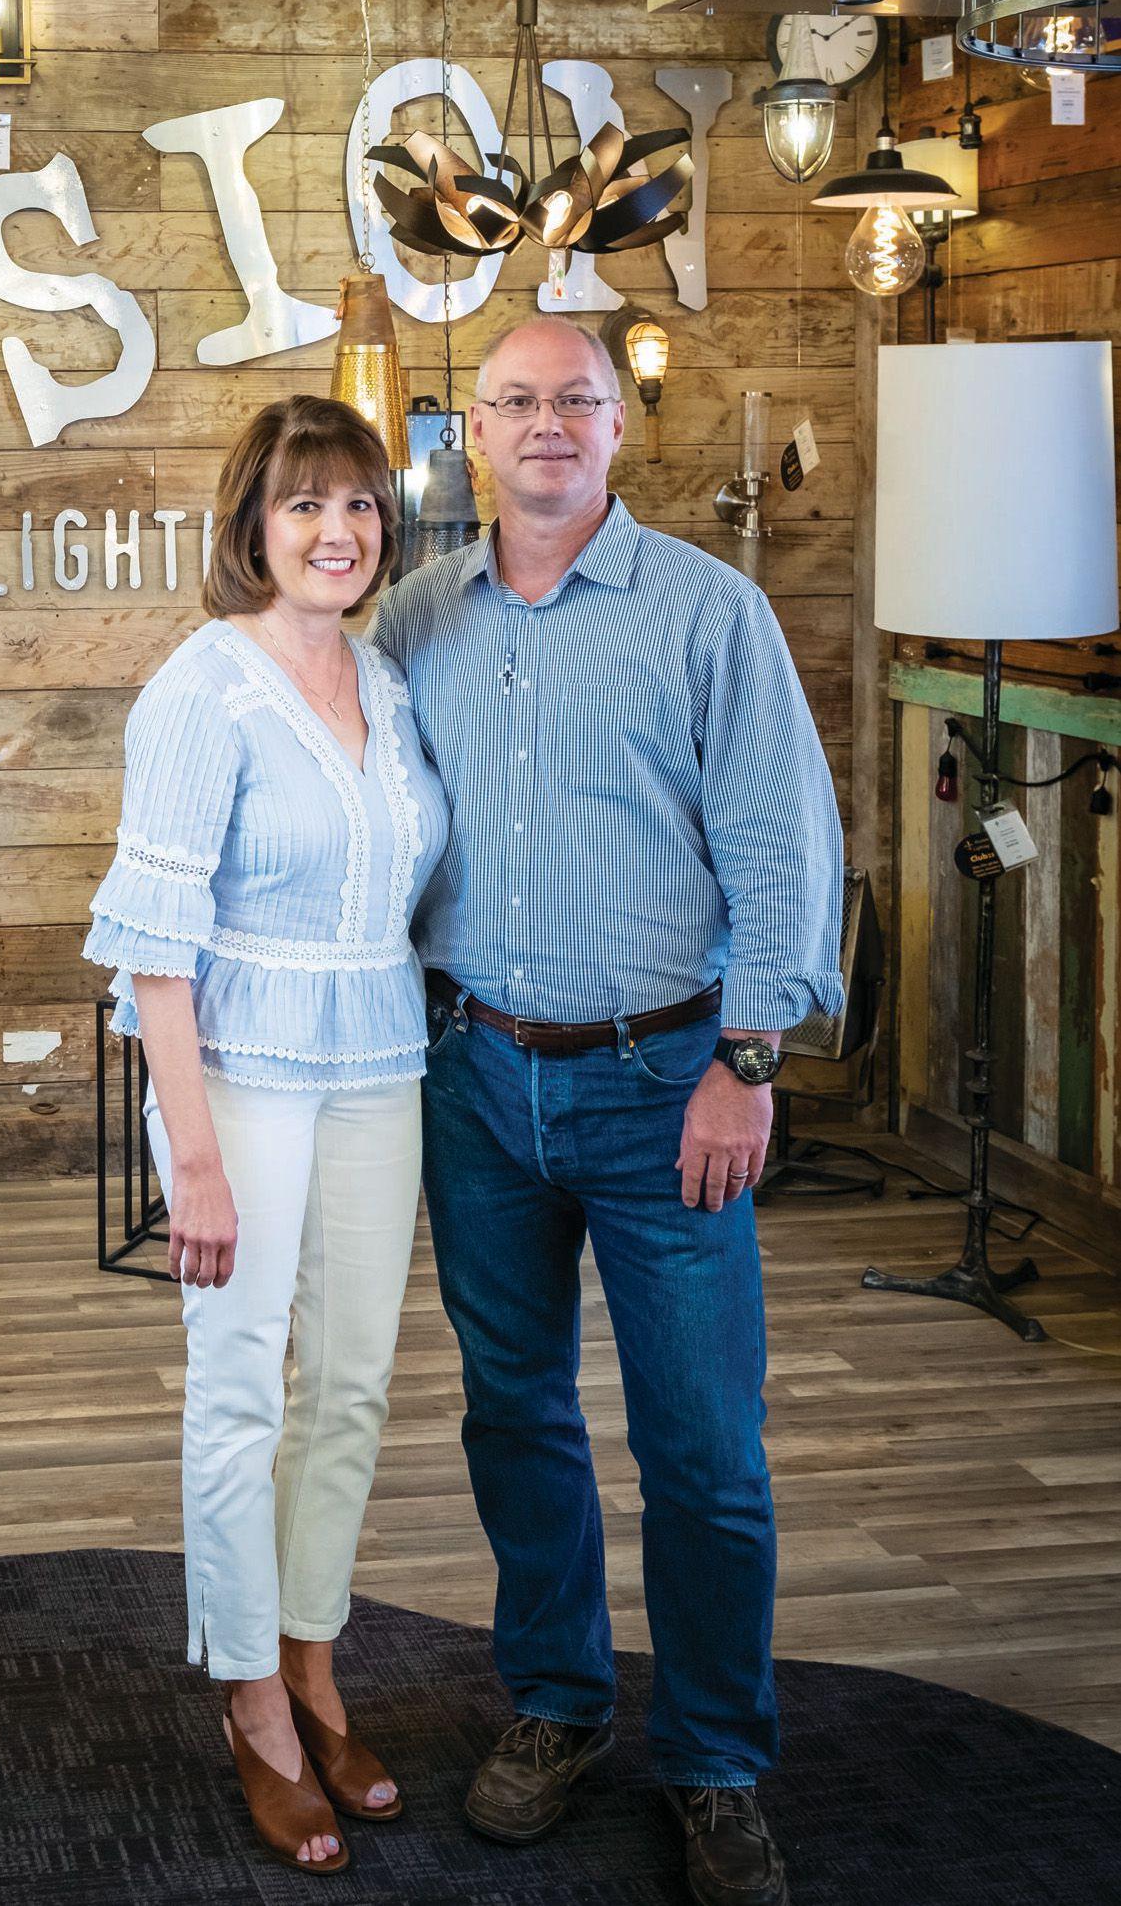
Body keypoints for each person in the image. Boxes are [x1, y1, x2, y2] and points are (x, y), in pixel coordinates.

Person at [374, 317, 842, 1906]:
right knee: (512, 1413)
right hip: (472, 1077)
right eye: (514, 401)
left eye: (575, 399)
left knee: (701, 1446)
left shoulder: (707, 610)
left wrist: (746, 1062)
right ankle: (559, 1702)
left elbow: (781, 846)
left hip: (665, 1086)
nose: (545, 426)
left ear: (618, 426)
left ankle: (712, 1762)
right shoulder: (416, 615)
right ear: (474, 432)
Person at [85, 393, 449, 1878]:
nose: (336, 531)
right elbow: (153, 951)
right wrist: (196, 1162)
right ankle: (248, 1699)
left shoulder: (386, 679)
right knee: (240, 1390)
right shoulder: (202, 690)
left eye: (358, 503)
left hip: (378, 1060)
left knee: (352, 1384)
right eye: (304, 503)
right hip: (239, 1077)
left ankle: (312, 1662)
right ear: (251, 524)